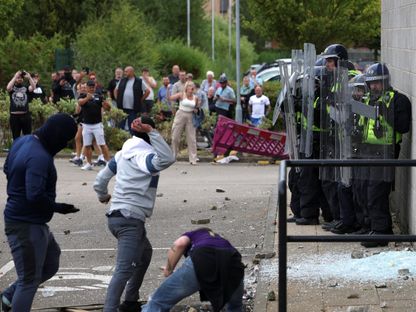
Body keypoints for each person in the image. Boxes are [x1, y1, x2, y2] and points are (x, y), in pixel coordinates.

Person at [93, 116, 175, 312]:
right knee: (123, 269)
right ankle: (110, 309)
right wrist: (152, 132)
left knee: (145, 254)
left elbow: (100, 179)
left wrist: (103, 195)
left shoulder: (122, 154)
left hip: (118, 216)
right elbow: (167, 159)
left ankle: (130, 300)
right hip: (129, 220)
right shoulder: (143, 155)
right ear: (149, 135)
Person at [0, 113, 79, 312]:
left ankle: (8, 297)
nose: (64, 143)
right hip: (25, 225)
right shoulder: (39, 157)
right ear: (58, 136)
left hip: (32, 222)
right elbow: (34, 195)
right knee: (29, 280)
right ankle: (12, 301)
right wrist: (59, 208)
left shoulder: (22, 141)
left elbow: (7, 168)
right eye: (65, 139)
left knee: (51, 261)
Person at [358, 63, 411, 247]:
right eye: (371, 83)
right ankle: (375, 227)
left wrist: (384, 114)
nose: (374, 87)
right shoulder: (369, 99)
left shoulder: (398, 100)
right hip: (367, 152)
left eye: (377, 83)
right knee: (364, 191)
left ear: (385, 81)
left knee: (376, 193)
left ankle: (380, 233)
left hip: (386, 151)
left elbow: (404, 126)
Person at [142, 227, 245, 312]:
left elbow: (179, 244)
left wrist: (168, 269)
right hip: (233, 262)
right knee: (235, 306)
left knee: (158, 301)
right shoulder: (220, 240)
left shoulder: (193, 234)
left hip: (203, 257)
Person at [78, 80, 111, 170]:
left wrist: (106, 105)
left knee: (102, 144)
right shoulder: (83, 95)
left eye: (93, 87)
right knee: (87, 145)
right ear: (87, 87)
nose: (91, 88)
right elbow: (80, 103)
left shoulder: (99, 96)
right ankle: (89, 163)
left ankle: (109, 163)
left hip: (97, 124)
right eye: (90, 87)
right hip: (86, 125)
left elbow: (108, 108)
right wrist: (87, 98)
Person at [170, 82, 200, 165]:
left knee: (192, 138)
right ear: (186, 88)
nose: (192, 89)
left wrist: (196, 110)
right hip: (181, 114)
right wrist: (168, 89)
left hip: (190, 116)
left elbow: (197, 107)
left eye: (193, 87)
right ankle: (173, 156)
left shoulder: (195, 97)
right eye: (190, 87)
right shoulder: (181, 94)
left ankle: (193, 159)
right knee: (175, 137)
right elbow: (170, 98)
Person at [114, 66, 150, 133]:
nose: (124, 73)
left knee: (132, 126)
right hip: (122, 107)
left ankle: (133, 140)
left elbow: (147, 91)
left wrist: (141, 99)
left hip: (133, 108)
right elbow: (116, 90)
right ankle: (120, 140)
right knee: (121, 125)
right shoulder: (122, 80)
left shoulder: (139, 81)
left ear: (131, 72)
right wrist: (117, 99)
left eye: (126, 71)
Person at [6, 70, 36, 140]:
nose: (19, 78)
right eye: (18, 77)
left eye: (21, 77)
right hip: (14, 117)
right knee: (16, 138)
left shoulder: (26, 88)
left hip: (25, 116)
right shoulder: (12, 88)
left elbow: (33, 87)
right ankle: (17, 151)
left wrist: (29, 78)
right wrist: (15, 76)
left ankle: (27, 150)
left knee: (27, 137)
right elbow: (8, 88)